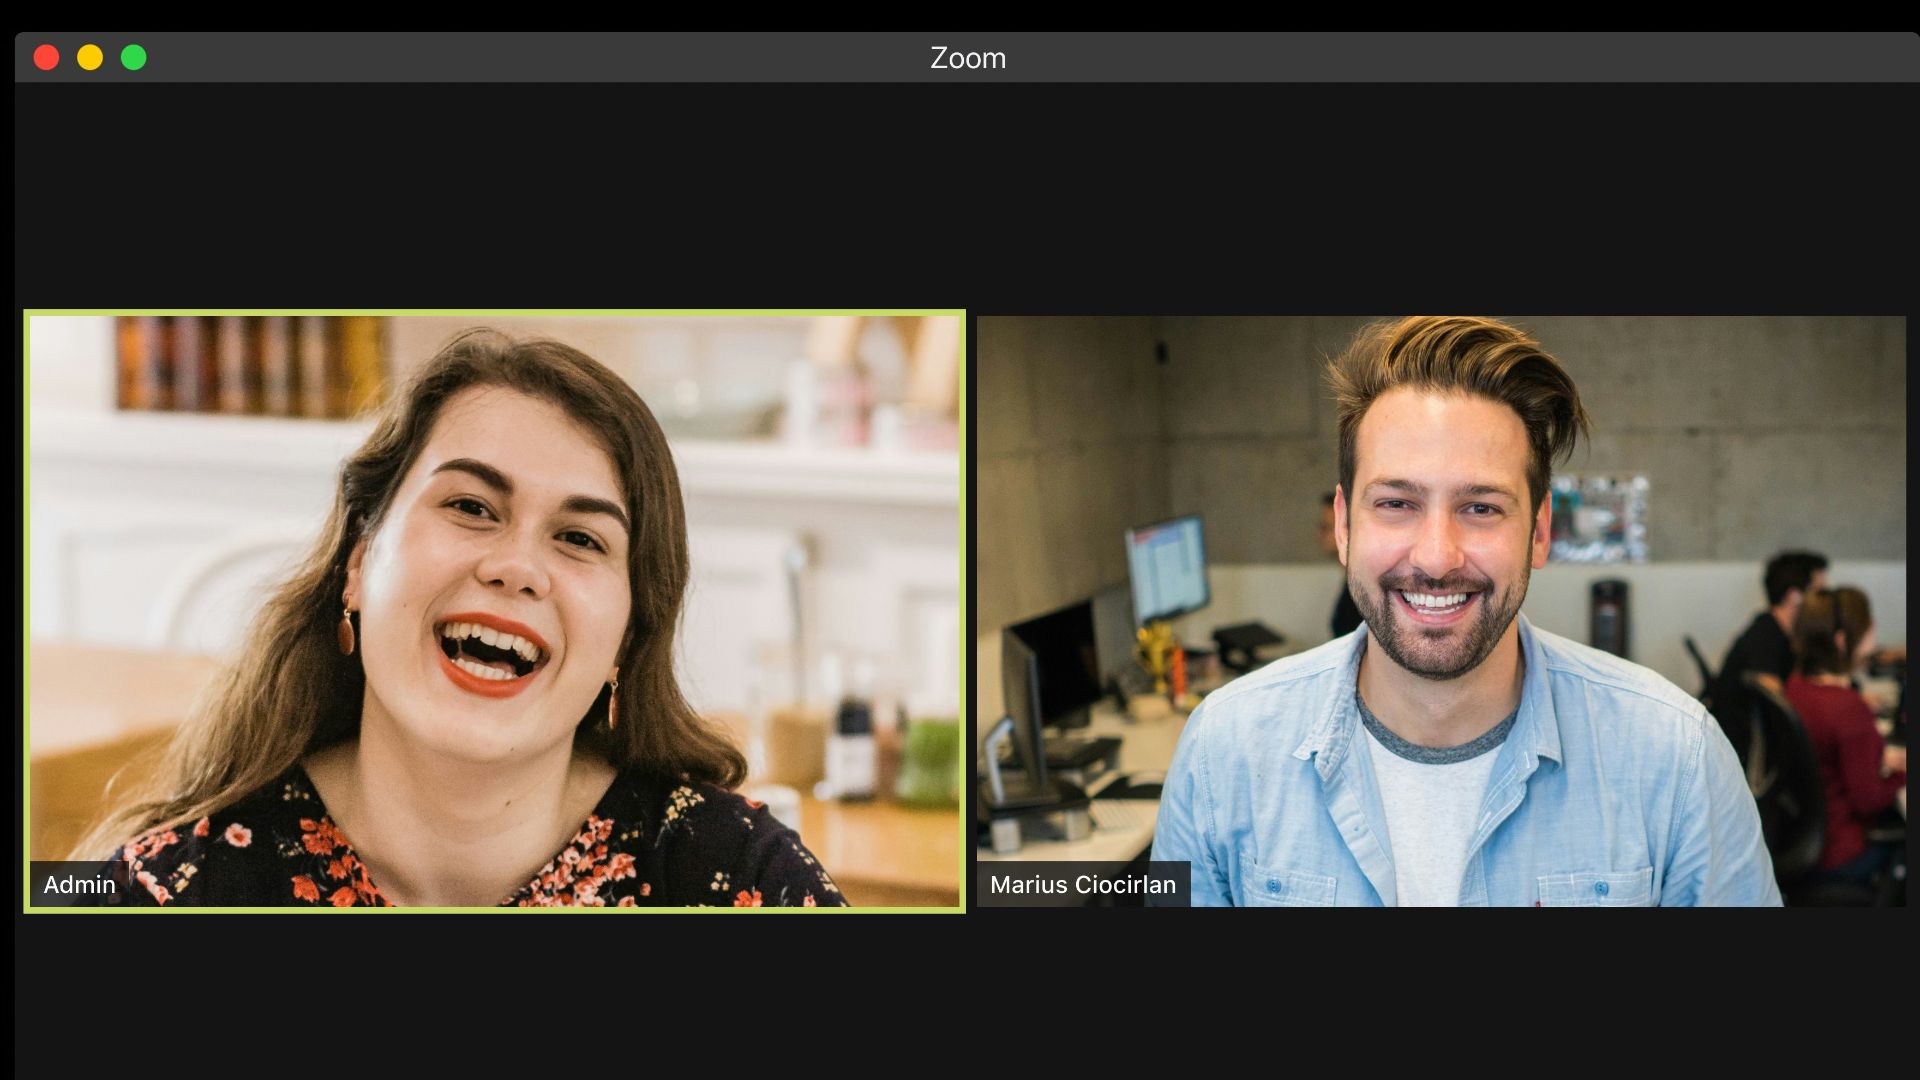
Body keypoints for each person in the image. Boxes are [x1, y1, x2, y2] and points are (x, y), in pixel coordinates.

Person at [76, 329, 845, 908]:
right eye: (471, 507)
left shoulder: (741, 879)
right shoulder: (165, 888)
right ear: (358, 562)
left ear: (627, 642)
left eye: (580, 538)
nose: (516, 566)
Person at [1152, 316, 1777, 906]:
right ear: (1344, 524)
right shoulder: (1224, 752)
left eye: (1481, 508)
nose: (1436, 556)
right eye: (1396, 503)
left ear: (1539, 532)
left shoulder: (1675, 758)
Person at [1783, 587, 1906, 891]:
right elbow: (1869, 801)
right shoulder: (1847, 708)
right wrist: (1903, 772)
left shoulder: (1796, 686)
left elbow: (1829, 759)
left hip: (1803, 841)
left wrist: (1878, 759)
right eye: (1868, 625)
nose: (1873, 630)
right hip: (1843, 852)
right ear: (1841, 640)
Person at [1320, 491, 1364, 640]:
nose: (1318, 535)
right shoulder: (1349, 581)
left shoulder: (1363, 589)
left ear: (1344, 530)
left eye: (1325, 528)